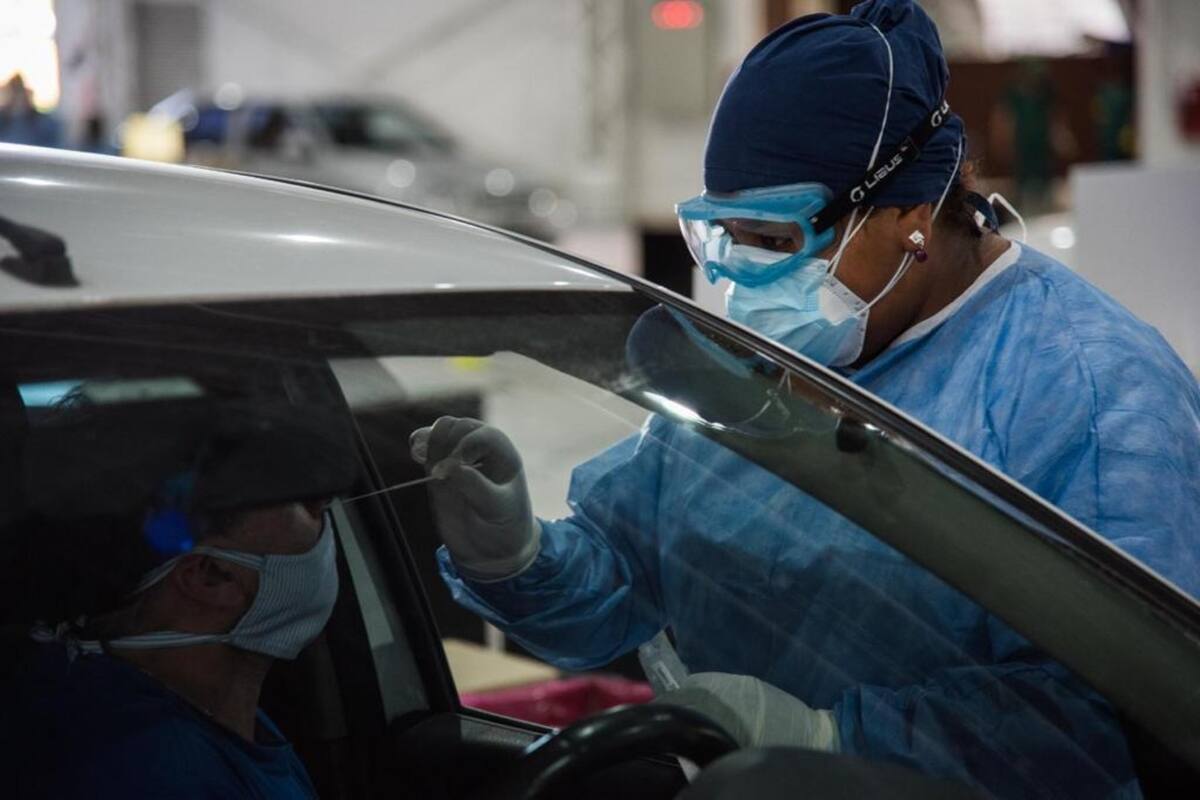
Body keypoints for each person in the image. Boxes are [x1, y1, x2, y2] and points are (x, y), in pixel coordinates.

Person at [410, 1, 1199, 797]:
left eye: (776, 243)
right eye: (728, 239)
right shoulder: (760, 365)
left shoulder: (1090, 392)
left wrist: (829, 743)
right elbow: (627, 571)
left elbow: (1110, 717)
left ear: (911, 221)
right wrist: (516, 557)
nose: (744, 283)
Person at [0, 397, 358, 799]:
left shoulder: (131, 703)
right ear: (211, 576)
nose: (321, 499)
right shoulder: (152, 773)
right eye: (292, 489)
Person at [0, 74, 62, 148]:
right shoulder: (3, 122)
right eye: (15, 91)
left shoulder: (45, 124)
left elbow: (52, 149)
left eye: (20, 92)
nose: (17, 97)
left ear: (28, 93)